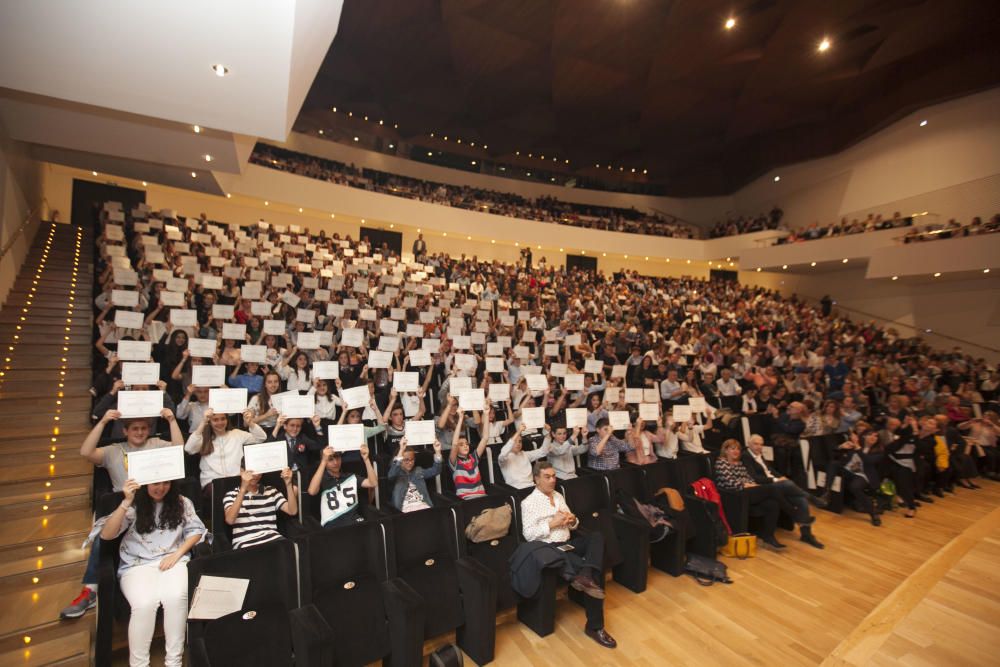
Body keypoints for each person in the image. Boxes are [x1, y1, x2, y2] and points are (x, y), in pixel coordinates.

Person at [61, 408, 182, 620]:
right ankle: (90, 591)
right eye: (134, 428)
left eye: (144, 428)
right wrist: (103, 422)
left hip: (156, 501)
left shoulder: (156, 444)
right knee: (102, 536)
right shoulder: (113, 450)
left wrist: (171, 420)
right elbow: (85, 452)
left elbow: (180, 448)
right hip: (126, 504)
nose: (140, 432)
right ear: (125, 431)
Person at [99, 478, 206, 667]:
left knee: (176, 597)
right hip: (136, 564)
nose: (161, 488)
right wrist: (125, 502)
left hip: (174, 559)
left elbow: (196, 530)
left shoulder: (182, 502)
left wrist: (178, 554)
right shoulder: (133, 505)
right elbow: (107, 535)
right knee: (144, 604)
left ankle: (174, 661)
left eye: (166, 483)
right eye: (155, 483)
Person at [520, 461, 616, 649]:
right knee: (594, 575)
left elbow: (574, 524)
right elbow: (528, 535)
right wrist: (552, 524)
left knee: (596, 537)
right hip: (551, 548)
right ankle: (595, 627)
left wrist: (573, 520)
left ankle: (586, 575)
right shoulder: (528, 503)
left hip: (569, 543)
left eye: (554, 476)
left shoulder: (558, 496)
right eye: (547, 477)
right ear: (536, 479)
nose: (552, 480)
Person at [742, 434, 826, 548]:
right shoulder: (746, 456)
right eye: (755, 444)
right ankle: (812, 498)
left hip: (775, 485)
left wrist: (781, 477)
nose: (759, 447)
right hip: (764, 487)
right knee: (787, 483)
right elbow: (755, 478)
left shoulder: (759, 455)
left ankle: (806, 535)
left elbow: (770, 470)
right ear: (749, 444)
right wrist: (776, 479)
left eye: (761, 444)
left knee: (801, 501)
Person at [714, 439, 787, 549]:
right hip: (734, 495)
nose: (736, 451)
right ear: (726, 450)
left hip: (747, 492)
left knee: (773, 504)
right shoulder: (721, 462)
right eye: (732, 449)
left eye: (738, 449)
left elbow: (750, 479)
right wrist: (746, 485)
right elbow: (729, 482)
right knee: (772, 489)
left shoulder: (739, 464)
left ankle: (768, 536)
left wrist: (751, 485)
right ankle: (792, 508)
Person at [223, 462, 298, 549]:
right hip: (245, 542)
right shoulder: (231, 495)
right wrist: (243, 489)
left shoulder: (271, 491)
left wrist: (288, 484)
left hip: (272, 538)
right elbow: (230, 520)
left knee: (289, 547)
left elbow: (292, 511)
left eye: (259, 471)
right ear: (242, 471)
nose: (256, 475)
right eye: (252, 471)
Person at [307, 443, 377, 527]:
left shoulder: (350, 477)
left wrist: (366, 459)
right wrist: (324, 460)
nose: (335, 462)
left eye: (337, 457)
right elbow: (312, 491)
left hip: (355, 522)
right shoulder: (321, 480)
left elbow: (373, 483)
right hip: (333, 524)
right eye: (330, 459)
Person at [387, 437, 443, 512]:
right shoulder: (396, 473)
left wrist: (438, 452)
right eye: (406, 460)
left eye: (412, 459)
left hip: (423, 506)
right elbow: (391, 475)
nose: (410, 463)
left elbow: (436, 470)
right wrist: (401, 450)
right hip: (405, 509)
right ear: (400, 460)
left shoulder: (418, 471)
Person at [448, 411, 491, 499]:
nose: (465, 446)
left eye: (466, 444)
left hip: (482, 496)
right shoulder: (454, 462)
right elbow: (454, 444)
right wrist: (460, 418)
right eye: (461, 445)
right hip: (466, 498)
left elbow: (485, 438)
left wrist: (486, 414)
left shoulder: (473, 458)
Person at [498, 424, 550, 488]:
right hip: (516, 491)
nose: (518, 444)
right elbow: (504, 452)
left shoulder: (525, 454)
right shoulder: (504, 458)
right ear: (509, 442)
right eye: (515, 441)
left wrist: (548, 434)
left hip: (532, 487)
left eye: (520, 441)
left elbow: (543, 451)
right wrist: (519, 431)